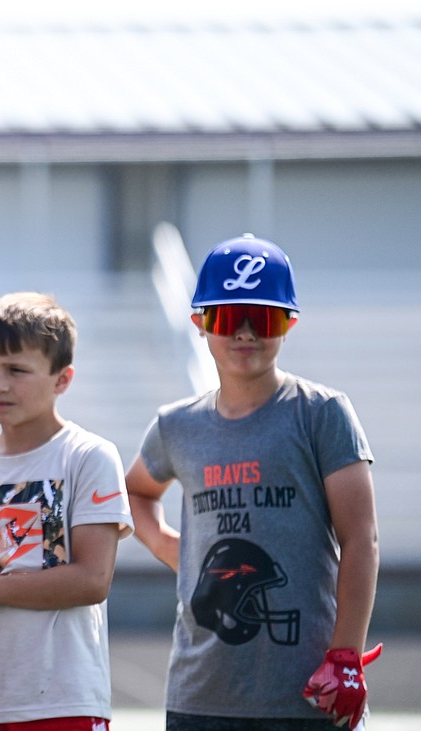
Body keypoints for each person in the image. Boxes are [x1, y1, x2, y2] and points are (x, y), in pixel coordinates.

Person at [125, 233, 381, 731]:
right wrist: (175, 550)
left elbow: (361, 539)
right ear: (200, 324)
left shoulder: (322, 413)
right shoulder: (175, 425)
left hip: (309, 695)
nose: (245, 332)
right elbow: (135, 492)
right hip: (201, 696)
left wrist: (345, 655)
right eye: (226, 316)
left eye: (262, 317)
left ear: (289, 323)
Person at [0, 291, 133, 731]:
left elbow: (92, 581)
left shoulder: (89, 456)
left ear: (62, 379)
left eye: (16, 370)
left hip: (66, 701)